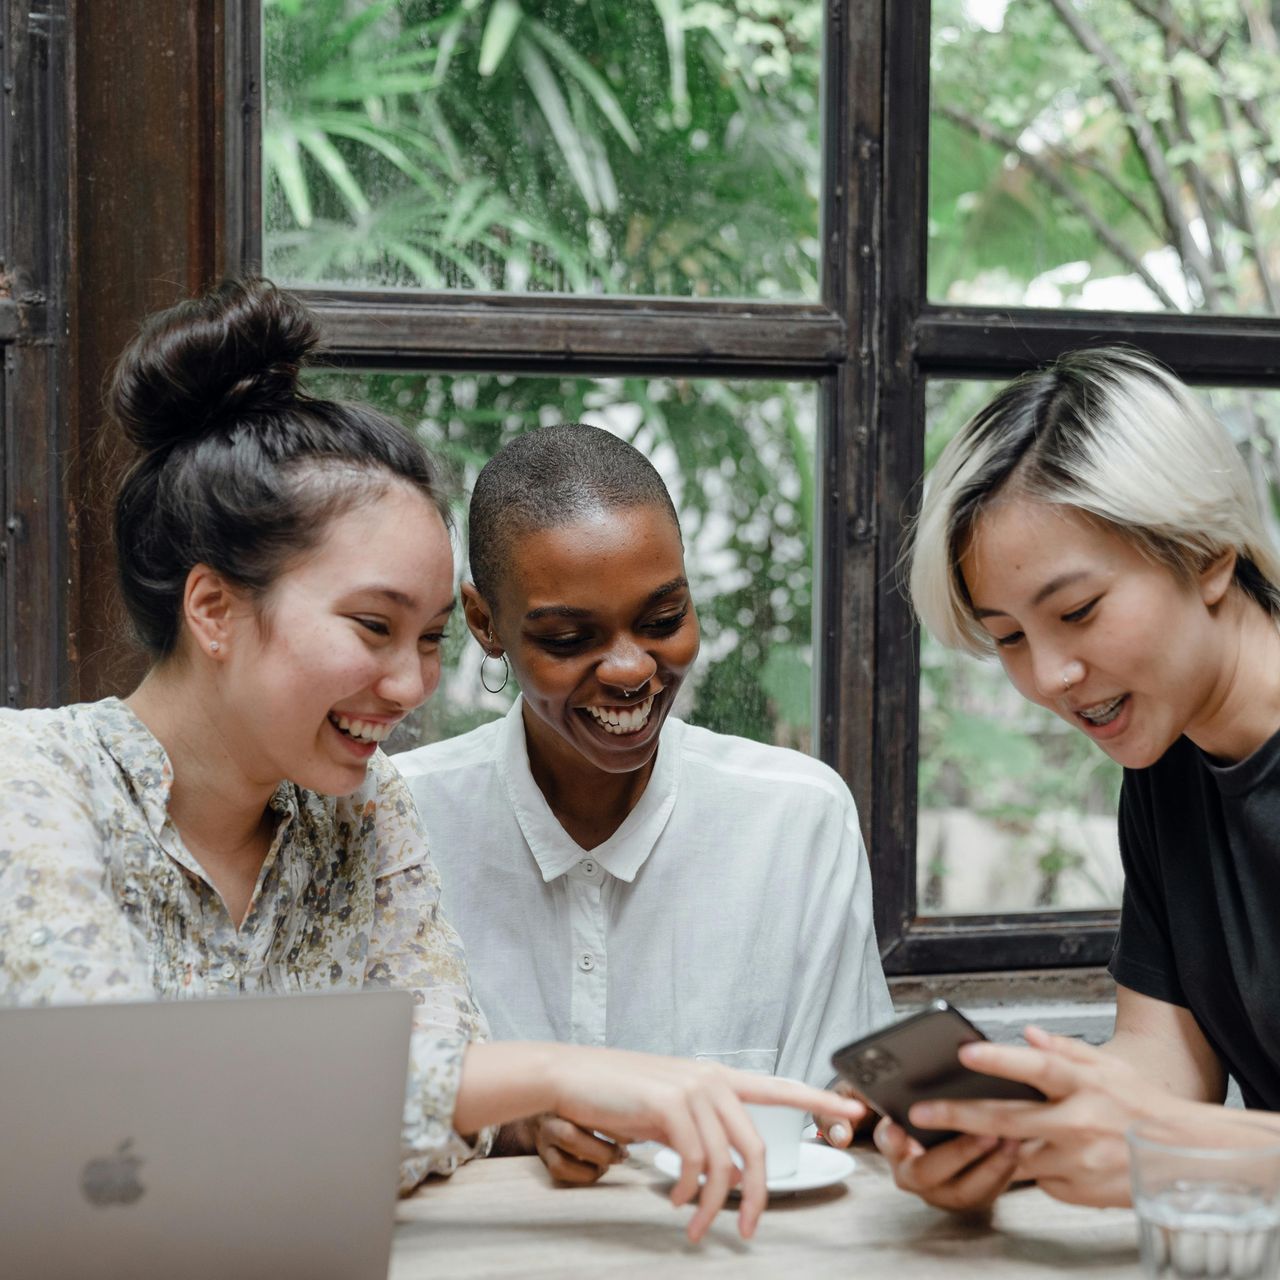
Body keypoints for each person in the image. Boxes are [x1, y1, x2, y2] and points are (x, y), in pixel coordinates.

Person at [0, 279, 865, 1244]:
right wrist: (547, 1074)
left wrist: (443, 1104)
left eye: (429, 640)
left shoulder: (361, 811)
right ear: (213, 609)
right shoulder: (30, 783)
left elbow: (447, 1117)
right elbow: (105, 1128)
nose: (412, 687)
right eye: (374, 626)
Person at [395, 423, 892, 1186]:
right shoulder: (402, 825)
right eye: (568, 637)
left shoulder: (796, 821)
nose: (631, 669)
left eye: (664, 621)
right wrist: (517, 1119)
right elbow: (345, 1109)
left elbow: (842, 1119)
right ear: (485, 622)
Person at [887, 345, 1280, 1211]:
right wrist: (1015, 1135)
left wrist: (1169, 1146)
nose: (1050, 678)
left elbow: (1172, 1126)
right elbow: (1165, 1059)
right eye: (1010, 638)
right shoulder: (1168, 760)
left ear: (1209, 551)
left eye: (1077, 612)